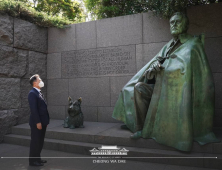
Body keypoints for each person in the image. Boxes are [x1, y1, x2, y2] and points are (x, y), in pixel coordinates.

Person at [112, 12, 220, 152]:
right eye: (171, 22)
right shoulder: (169, 45)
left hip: (178, 93)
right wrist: (152, 71)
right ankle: (141, 128)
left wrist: (165, 70)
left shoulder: (194, 44)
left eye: (177, 22)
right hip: (160, 90)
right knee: (138, 88)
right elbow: (153, 69)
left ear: (186, 25)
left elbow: (193, 74)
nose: (174, 24)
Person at [28, 74, 50, 166]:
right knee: (35, 142)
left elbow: (43, 109)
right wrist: (38, 122)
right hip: (37, 122)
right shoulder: (32, 93)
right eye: (39, 80)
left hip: (42, 122)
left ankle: (38, 159)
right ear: (35, 83)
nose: (41, 81)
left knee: (40, 142)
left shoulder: (39, 92)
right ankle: (33, 161)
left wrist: (45, 121)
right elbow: (34, 110)